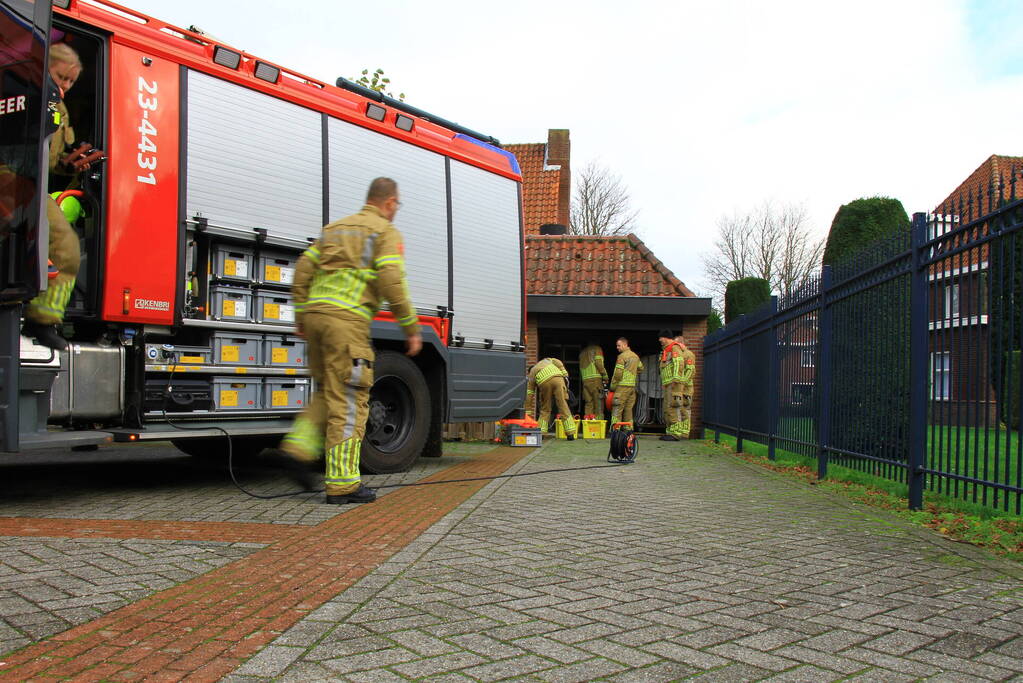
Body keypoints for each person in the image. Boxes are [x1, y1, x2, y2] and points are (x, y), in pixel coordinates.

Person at [265, 178, 422, 504]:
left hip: (316, 320)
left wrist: (301, 314)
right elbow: (392, 280)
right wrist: (410, 327)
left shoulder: (333, 229)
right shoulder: (384, 232)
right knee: (350, 401)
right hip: (346, 324)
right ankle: (343, 485)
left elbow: (304, 269)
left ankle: (296, 450)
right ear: (390, 202)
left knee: (328, 393)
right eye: (397, 206)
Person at [22, 43, 104, 351]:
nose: (65, 86)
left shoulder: (59, 107)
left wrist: (68, 164)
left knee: (67, 250)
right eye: (61, 77)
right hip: (11, 179)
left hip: (28, 185)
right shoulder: (24, 91)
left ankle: (42, 320)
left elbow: (48, 157)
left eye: (71, 81)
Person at [525, 357, 574, 437]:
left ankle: (541, 433)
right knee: (563, 405)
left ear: (530, 371)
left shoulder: (532, 373)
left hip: (544, 382)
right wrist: (565, 375)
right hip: (558, 378)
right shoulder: (547, 360)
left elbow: (529, 393)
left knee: (545, 409)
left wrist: (528, 411)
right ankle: (570, 433)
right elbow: (558, 362)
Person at [658, 330, 686, 441]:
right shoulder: (666, 350)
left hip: (673, 384)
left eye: (660, 338)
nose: (659, 340)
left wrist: (676, 380)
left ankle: (675, 434)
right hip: (668, 383)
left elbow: (679, 364)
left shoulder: (674, 348)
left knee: (672, 407)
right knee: (667, 408)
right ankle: (670, 432)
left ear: (666, 337)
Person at [609, 337, 643, 430]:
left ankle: (615, 429)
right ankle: (628, 429)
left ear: (625, 345)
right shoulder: (635, 356)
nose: (617, 347)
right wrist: (632, 373)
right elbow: (641, 368)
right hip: (632, 387)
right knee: (628, 409)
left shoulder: (622, 357)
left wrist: (613, 386)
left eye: (619, 345)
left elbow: (618, 373)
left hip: (622, 387)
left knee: (617, 408)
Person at [578, 341, 608, 419]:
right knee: (598, 403)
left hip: (585, 382)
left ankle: (588, 424)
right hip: (596, 381)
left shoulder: (582, 353)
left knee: (588, 403)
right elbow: (599, 363)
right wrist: (605, 375)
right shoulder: (597, 349)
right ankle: (598, 425)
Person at [676, 334, 697, 438]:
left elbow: (690, 371)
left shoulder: (688, 354)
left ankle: (684, 433)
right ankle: (682, 432)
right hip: (682, 388)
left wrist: (681, 383)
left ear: (681, 344)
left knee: (684, 410)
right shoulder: (682, 354)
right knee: (680, 410)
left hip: (685, 389)